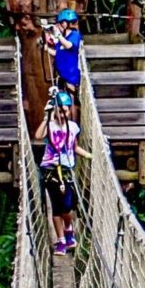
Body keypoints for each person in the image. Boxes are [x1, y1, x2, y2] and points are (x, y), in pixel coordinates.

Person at [36, 86, 89, 253]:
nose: (62, 115)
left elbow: (74, 147)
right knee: (56, 207)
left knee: (67, 206)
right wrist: (47, 117)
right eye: (59, 111)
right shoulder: (50, 126)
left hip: (66, 170)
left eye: (65, 111)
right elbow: (38, 136)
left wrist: (90, 155)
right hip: (50, 169)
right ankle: (61, 241)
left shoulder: (73, 127)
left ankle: (69, 229)